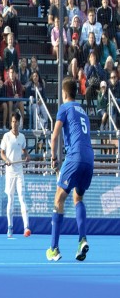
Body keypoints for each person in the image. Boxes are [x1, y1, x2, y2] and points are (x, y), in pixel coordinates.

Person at [46, 77, 94, 262]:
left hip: (75, 157)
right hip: (89, 158)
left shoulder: (64, 108)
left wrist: (54, 159)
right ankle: (82, 239)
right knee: (78, 198)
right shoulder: (83, 112)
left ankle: (53, 249)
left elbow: (54, 136)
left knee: (58, 199)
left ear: (64, 93)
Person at [0, 112, 31, 238]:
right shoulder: (6, 136)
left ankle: (26, 227)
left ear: (19, 123)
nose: (13, 124)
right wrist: (6, 160)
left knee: (22, 198)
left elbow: (24, 150)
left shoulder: (22, 137)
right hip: (10, 173)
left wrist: (27, 156)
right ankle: (10, 227)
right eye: (12, 122)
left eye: (15, 122)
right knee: (11, 199)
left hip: (19, 172)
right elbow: (2, 152)